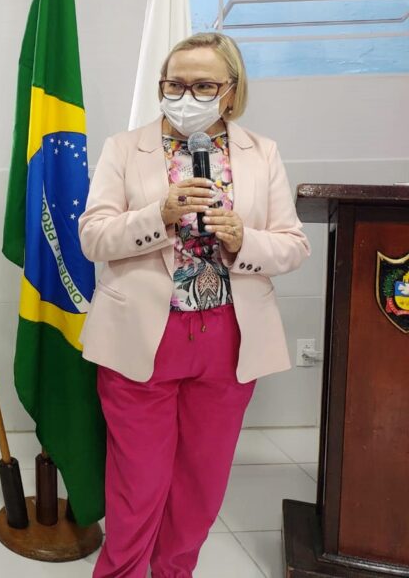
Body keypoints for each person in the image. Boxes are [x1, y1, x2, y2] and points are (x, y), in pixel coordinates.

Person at [79, 32, 310, 577]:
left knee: (200, 487)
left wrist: (243, 239)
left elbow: (294, 245)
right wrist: (156, 215)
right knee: (138, 486)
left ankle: (174, 571)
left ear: (230, 91)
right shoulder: (124, 148)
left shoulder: (261, 152)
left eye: (204, 85)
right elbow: (93, 237)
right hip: (142, 336)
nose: (187, 96)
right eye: (174, 84)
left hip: (229, 338)